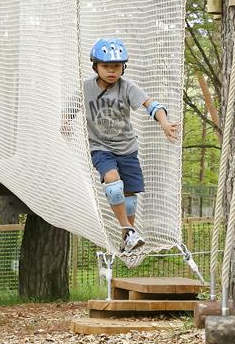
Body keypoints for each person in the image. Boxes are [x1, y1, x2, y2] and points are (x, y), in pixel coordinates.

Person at [65, 37, 181, 253]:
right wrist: (65, 123)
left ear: (123, 67)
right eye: (106, 66)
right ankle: (127, 228)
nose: (111, 71)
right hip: (101, 147)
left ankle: (127, 237)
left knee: (129, 196)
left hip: (127, 149)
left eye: (116, 66)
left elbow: (151, 104)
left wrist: (164, 123)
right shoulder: (86, 88)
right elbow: (70, 108)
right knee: (112, 181)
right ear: (95, 66)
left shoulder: (127, 87)